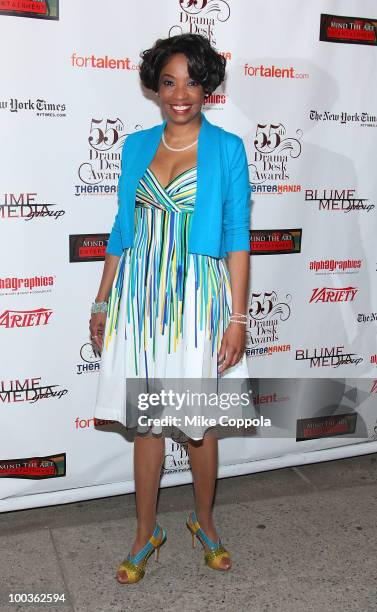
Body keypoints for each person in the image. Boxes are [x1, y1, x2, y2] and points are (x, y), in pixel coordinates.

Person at [90, 33, 252, 584]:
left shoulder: (227, 148)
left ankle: (204, 522)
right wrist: (103, 299)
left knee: (198, 425)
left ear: (207, 86)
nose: (180, 94)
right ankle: (144, 533)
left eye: (192, 81)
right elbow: (120, 230)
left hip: (197, 300)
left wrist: (237, 318)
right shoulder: (136, 146)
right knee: (147, 425)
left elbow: (236, 237)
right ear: (154, 87)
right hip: (138, 299)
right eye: (168, 81)